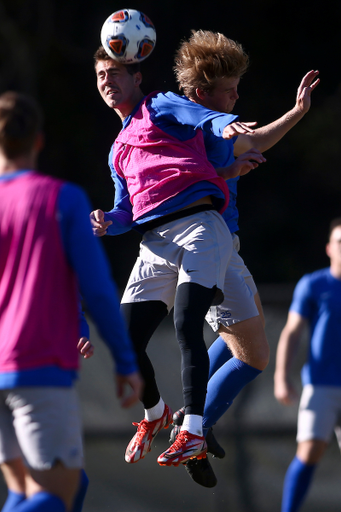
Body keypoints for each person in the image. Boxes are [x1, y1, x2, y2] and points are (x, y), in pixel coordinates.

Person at [91, 45, 266, 467]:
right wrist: (106, 220)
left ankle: (192, 431)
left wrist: (227, 124)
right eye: (101, 76)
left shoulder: (159, 105)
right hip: (154, 242)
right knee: (126, 343)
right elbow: (126, 211)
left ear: (137, 78)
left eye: (116, 73)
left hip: (201, 228)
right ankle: (156, 414)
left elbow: (201, 115)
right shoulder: (118, 150)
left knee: (188, 323)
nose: (108, 81)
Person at [167, 29, 319, 487]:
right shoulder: (203, 127)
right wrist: (230, 167)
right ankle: (193, 428)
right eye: (228, 90)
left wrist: (296, 112)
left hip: (217, 248)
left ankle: (191, 417)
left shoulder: (208, 123)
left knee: (239, 344)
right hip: (211, 251)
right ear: (200, 93)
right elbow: (236, 152)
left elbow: (250, 143)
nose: (236, 97)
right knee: (253, 358)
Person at [0, 91, 142, 512]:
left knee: (23, 492)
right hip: (35, 368)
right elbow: (97, 289)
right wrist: (125, 361)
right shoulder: (61, 199)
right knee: (59, 494)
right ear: (39, 140)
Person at [274, 217, 341, 512]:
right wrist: (281, 376)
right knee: (310, 451)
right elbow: (292, 332)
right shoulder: (314, 284)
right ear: (329, 248)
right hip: (321, 383)